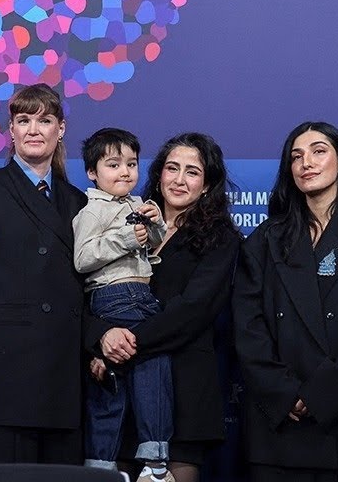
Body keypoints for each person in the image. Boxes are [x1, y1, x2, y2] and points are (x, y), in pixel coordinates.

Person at [233, 121, 338, 482]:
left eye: (319, 151)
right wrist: (285, 393)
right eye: (296, 156)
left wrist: (321, 395)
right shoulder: (265, 240)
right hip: (276, 427)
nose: (306, 162)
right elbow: (248, 326)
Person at [0, 83, 93, 464]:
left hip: (64, 380)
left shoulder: (79, 202)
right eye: (23, 120)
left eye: (44, 120)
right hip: (1, 377)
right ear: (10, 130)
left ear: (61, 129)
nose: (33, 129)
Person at [96, 132, 241, 482]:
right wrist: (99, 339)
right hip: (121, 394)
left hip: (184, 394)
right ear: (158, 174)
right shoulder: (125, 223)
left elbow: (193, 311)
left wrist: (124, 342)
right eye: (171, 168)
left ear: (207, 185)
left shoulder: (222, 238)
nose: (179, 179)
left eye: (192, 172)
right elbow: (93, 292)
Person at [73, 128, 171, 482]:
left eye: (131, 163)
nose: (125, 172)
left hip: (140, 295)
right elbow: (82, 259)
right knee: (134, 374)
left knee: (130, 375)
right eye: (113, 164)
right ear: (92, 172)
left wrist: (157, 225)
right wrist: (125, 237)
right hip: (115, 297)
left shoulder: (136, 204)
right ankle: (138, 463)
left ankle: (143, 461)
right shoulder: (92, 211)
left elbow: (152, 246)